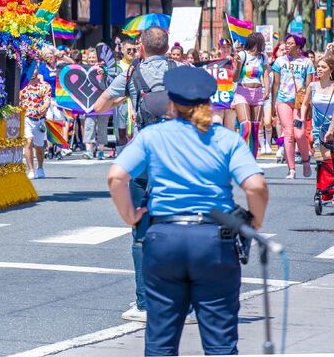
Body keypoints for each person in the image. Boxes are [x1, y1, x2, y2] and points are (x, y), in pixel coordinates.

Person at [107, 66, 268, 356]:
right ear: (208, 102)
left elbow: (116, 176)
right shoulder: (225, 138)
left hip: (164, 238)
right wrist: (254, 222)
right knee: (220, 341)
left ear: (171, 103)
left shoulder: (153, 136)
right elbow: (255, 186)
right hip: (213, 240)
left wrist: (130, 215)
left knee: (161, 340)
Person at [92, 26, 177, 324]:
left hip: (144, 156)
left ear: (141, 47)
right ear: (167, 48)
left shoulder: (129, 75)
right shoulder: (182, 70)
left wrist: (122, 99)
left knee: (141, 232)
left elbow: (99, 106)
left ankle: (144, 303)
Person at [271, 34, 315, 179]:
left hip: (299, 103)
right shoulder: (279, 61)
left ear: (298, 46)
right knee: (288, 135)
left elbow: (309, 86)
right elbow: (275, 84)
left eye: (290, 43)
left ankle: (306, 160)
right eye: (286, 43)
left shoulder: (307, 62)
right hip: (283, 101)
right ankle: (291, 169)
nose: (287, 46)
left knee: (300, 134)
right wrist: (273, 105)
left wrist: (308, 106)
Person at [233, 32, 268, 158]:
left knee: (254, 129)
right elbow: (234, 78)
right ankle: (239, 156)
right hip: (243, 92)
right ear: (256, 43)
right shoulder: (242, 55)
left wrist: (267, 90)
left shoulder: (263, 58)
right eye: (263, 42)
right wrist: (237, 66)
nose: (264, 44)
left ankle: (252, 161)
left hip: (258, 93)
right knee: (246, 127)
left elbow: (264, 74)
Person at [21, 68, 50, 179]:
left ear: (38, 70)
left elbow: (47, 99)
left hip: (39, 120)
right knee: (28, 142)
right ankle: (31, 170)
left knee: (39, 146)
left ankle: (40, 167)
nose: (32, 72)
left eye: (34, 69)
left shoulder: (45, 86)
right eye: (30, 70)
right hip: (26, 118)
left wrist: (45, 106)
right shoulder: (22, 86)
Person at [82, 46, 110, 160]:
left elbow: (106, 86)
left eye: (94, 57)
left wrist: (102, 75)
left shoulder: (105, 69)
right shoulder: (83, 70)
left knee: (102, 126)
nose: (92, 59)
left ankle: (101, 151)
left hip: (104, 102)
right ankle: (89, 150)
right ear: (87, 59)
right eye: (90, 57)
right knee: (89, 125)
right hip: (89, 103)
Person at [306, 53, 334, 166]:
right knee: (320, 158)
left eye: (323, 67)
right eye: (318, 66)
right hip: (318, 127)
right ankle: (323, 177)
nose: (319, 69)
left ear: (331, 70)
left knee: (327, 156)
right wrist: (302, 120)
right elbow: (305, 104)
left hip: (331, 125)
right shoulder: (313, 86)